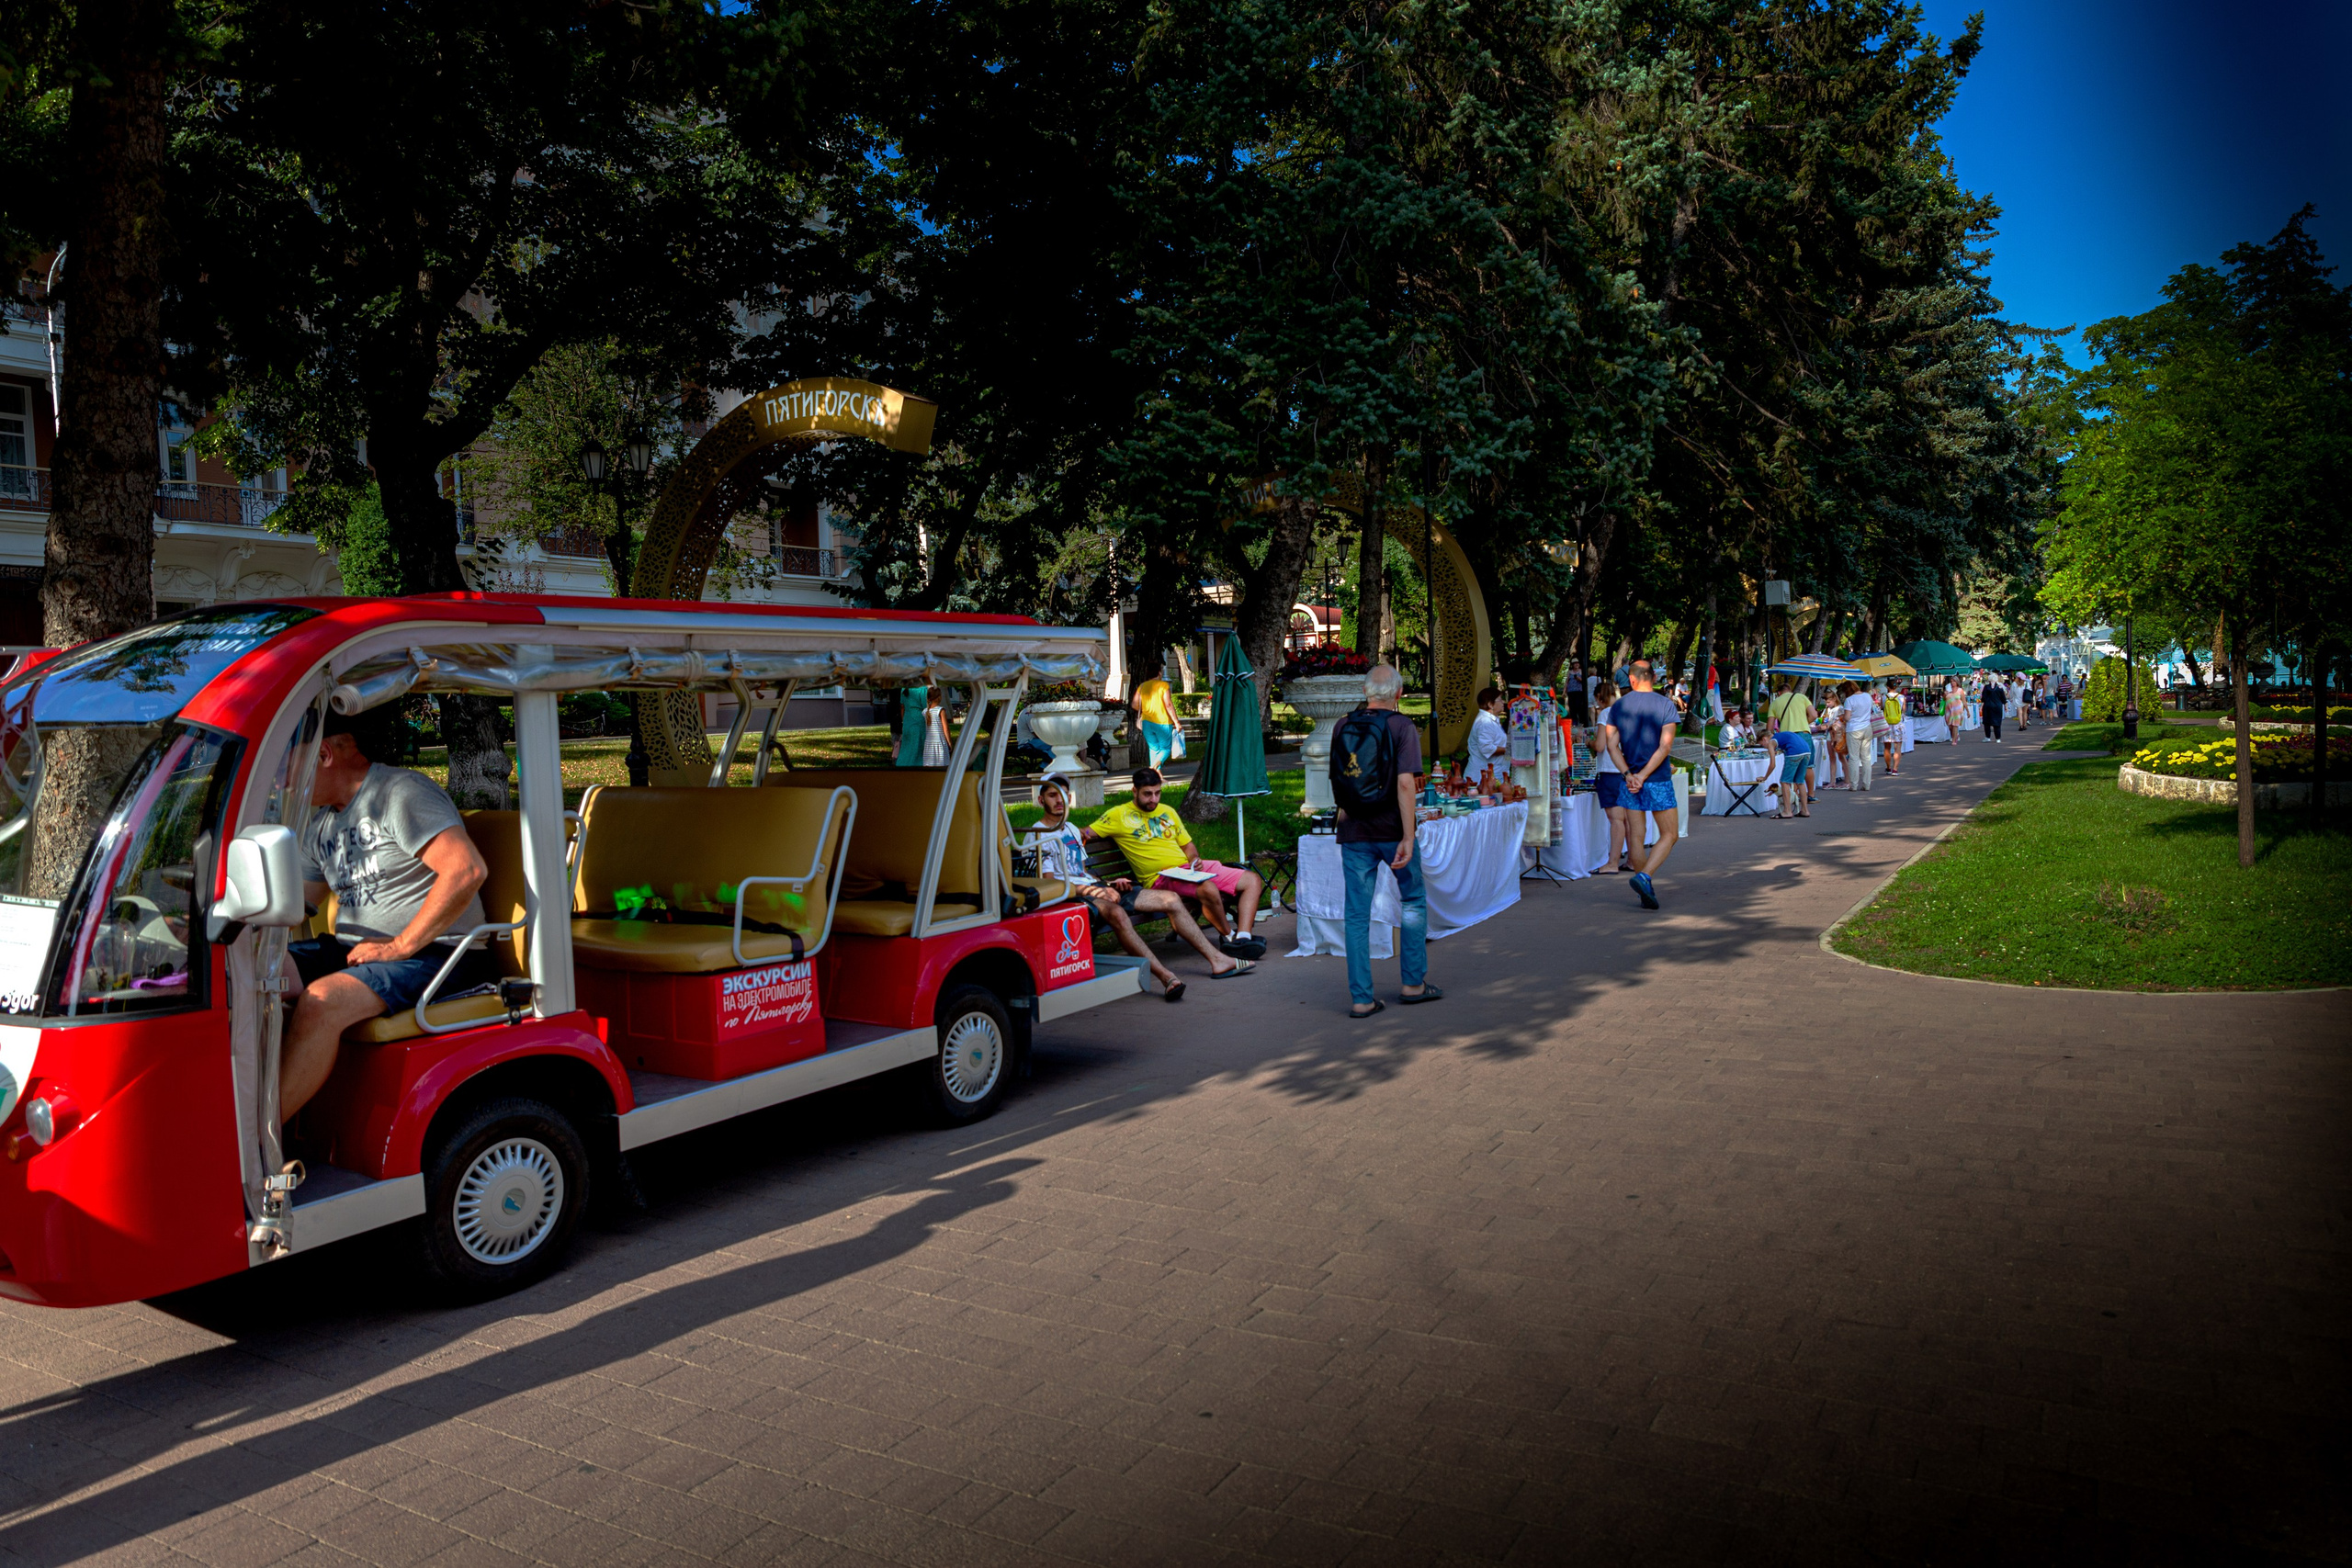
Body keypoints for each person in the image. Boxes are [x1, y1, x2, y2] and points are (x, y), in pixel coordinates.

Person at [283, 709, 492, 1119]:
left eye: (282, 767)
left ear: (323, 755)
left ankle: (255, 1145)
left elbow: (466, 870)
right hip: (358, 951)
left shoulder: (400, 794)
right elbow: (292, 908)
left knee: (321, 1001)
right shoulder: (321, 826)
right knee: (250, 977)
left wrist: (399, 946)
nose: (279, 782)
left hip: (437, 954)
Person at [1020, 773, 1249, 998]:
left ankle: (1218, 960)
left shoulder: (1070, 829)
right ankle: (1167, 977)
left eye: (1063, 795)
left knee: (1170, 899)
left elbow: (1081, 873)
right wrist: (1093, 890)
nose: (1059, 800)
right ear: (1041, 800)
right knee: (1118, 914)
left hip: (1094, 888)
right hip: (1073, 895)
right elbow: (1050, 884)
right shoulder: (1038, 835)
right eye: (1052, 795)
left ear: (1069, 798)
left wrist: (1110, 883)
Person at [1331, 663, 1438, 1018]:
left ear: (1365, 692)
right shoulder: (1401, 726)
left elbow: (1339, 779)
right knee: (1413, 900)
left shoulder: (1342, 725)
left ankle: (1361, 999)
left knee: (1356, 914)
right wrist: (1408, 835)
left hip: (1353, 829)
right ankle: (1413, 984)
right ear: (1399, 694)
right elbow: (1406, 783)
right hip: (1392, 829)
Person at [1091, 768, 1266, 955]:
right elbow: (1083, 833)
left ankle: (1243, 937)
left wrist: (1194, 859)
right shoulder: (1118, 815)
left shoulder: (1168, 811)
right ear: (1135, 791)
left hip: (1186, 870)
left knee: (1251, 880)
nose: (1154, 799)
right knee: (1207, 888)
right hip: (1160, 877)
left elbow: (1188, 846)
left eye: (1157, 793)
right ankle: (1229, 937)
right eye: (1147, 794)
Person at [1608, 660, 1679, 908]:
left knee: (1636, 837)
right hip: (1657, 779)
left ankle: (1644, 892)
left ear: (1632, 679)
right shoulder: (1665, 704)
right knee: (1670, 834)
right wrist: (1644, 775)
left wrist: (1630, 775)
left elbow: (1611, 746)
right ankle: (1645, 877)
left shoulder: (1619, 706)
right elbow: (1665, 746)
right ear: (1654, 677)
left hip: (1630, 782)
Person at [1589, 680, 1630, 873]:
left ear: (1599, 697)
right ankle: (1632, 859)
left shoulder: (1606, 713)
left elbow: (1600, 746)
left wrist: (1589, 743)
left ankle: (1612, 862)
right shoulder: (1625, 711)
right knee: (1627, 819)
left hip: (1609, 769)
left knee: (1616, 819)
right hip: (1625, 769)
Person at [1768, 678, 1817, 811]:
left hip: (1789, 737)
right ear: (1790, 690)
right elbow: (1814, 715)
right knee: (1808, 766)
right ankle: (1811, 795)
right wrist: (1804, 723)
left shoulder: (1775, 703)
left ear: (1779, 693)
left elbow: (1770, 728)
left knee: (1791, 767)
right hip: (1804, 734)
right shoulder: (1802, 697)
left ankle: (1791, 798)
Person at [1130, 662, 1178, 769]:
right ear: (1159, 673)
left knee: (1154, 749)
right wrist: (1177, 722)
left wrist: (1146, 709)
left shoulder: (1142, 686)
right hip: (1162, 721)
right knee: (1165, 748)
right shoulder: (1163, 685)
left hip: (1147, 722)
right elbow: (1168, 705)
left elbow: (1134, 704)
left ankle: (1155, 774)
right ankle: (1153, 768)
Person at [1769, 706, 1812, 818]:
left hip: (1794, 753)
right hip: (1807, 751)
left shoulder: (1771, 742)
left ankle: (1787, 811)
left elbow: (1772, 764)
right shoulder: (1783, 735)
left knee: (1784, 782)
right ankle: (1805, 810)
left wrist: (1764, 777)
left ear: (1764, 739)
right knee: (1800, 781)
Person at [1467, 686, 1511, 786]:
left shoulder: (1491, 720)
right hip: (1481, 779)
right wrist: (1509, 750)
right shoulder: (1485, 722)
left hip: (1493, 775)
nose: (1503, 702)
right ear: (1490, 704)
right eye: (1500, 699)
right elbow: (1486, 748)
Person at [1839, 680, 1877, 792]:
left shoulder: (1849, 700)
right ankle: (1867, 784)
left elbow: (1847, 717)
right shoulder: (1867, 696)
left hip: (1854, 730)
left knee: (1854, 758)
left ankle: (1854, 785)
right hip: (1867, 728)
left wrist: (1842, 717)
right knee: (1866, 758)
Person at [895, 684, 929, 767]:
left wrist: (904, 721)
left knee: (906, 746)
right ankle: (917, 765)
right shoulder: (922, 689)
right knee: (918, 746)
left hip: (907, 720)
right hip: (919, 720)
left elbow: (902, 707)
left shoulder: (904, 689)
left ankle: (902, 764)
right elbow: (925, 707)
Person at [921, 688, 950, 766]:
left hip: (929, 743)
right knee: (942, 766)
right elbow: (946, 729)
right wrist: (949, 743)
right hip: (940, 742)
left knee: (929, 765)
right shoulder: (941, 710)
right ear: (939, 697)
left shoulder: (925, 711)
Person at [1880, 684, 1904, 776]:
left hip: (1887, 724)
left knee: (1887, 748)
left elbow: (1881, 708)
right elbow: (1903, 710)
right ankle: (1895, 769)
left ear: (1887, 687)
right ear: (1896, 687)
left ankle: (1888, 767)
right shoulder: (1901, 697)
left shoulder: (1884, 697)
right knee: (1897, 748)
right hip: (1898, 724)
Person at [1981, 677, 2007, 742]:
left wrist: (1981, 706)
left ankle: (1987, 737)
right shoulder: (2000, 687)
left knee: (1987, 722)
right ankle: (1998, 738)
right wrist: (2006, 706)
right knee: (1997, 722)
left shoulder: (1986, 687)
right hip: (1997, 706)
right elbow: (2003, 698)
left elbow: (1983, 698)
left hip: (1988, 706)